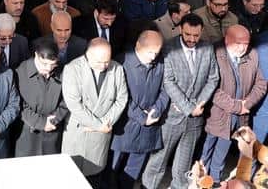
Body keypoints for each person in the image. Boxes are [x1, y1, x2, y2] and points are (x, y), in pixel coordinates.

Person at [142, 13, 221, 189]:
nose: (192, 39)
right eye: (188, 34)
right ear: (180, 30)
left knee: (184, 165)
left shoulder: (207, 48)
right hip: (172, 116)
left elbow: (213, 78)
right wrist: (188, 107)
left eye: (196, 35)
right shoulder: (169, 48)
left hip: (195, 118)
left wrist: (199, 104)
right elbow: (168, 81)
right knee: (158, 161)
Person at [201, 25, 267, 184]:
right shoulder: (215, 54)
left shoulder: (252, 55)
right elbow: (212, 88)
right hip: (218, 115)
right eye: (238, 43)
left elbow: (261, 84)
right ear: (227, 41)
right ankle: (201, 182)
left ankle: (215, 181)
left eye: (246, 43)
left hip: (239, 117)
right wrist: (237, 106)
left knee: (222, 151)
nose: (242, 48)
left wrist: (247, 104)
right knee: (206, 151)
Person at [61, 38, 128, 184]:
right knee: (72, 178)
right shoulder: (72, 69)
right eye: (99, 62)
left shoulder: (117, 69)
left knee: (95, 177)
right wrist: (98, 125)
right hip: (78, 133)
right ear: (87, 55)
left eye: (107, 61)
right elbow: (74, 104)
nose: (104, 65)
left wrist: (105, 122)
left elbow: (121, 99)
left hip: (101, 135)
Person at [110, 30, 168, 189]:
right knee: (113, 170)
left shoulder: (161, 62)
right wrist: (142, 117)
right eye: (149, 52)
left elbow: (166, 89)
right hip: (124, 128)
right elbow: (120, 96)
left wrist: (156, 110)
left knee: (134, 171)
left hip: (148, 127)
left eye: (156, 52)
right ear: (138, 45)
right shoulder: (121, 62)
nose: (153, 57)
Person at [14, 37, 68, 157]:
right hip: (27, 135)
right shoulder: (20, 73)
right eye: (44, 64)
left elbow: (67, 100)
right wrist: (41, 122)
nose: (48, 69)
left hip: (53, 133)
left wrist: (54, 119)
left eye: (53, 65)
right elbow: (18, 105)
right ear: (36, 56)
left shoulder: (63, 71)